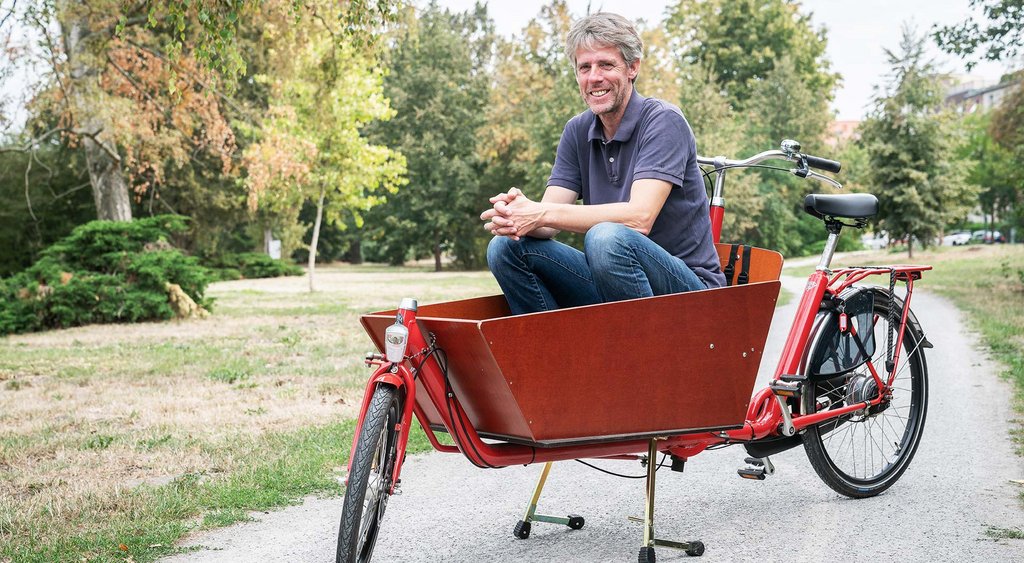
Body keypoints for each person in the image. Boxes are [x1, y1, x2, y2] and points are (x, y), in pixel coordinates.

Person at [480, 12, 725, 315]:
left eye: (606, 65)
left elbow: (639, 218)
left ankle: (642, 356)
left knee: (606, 237)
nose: (593, 77)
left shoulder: (663, 120)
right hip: (613, 281)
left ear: (633, 67)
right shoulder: (577, 130)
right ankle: (558, 355)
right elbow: (547, 223)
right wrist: (520, 214)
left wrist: (542, 212)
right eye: (585, 67)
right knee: (506, 247)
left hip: (688, 291)